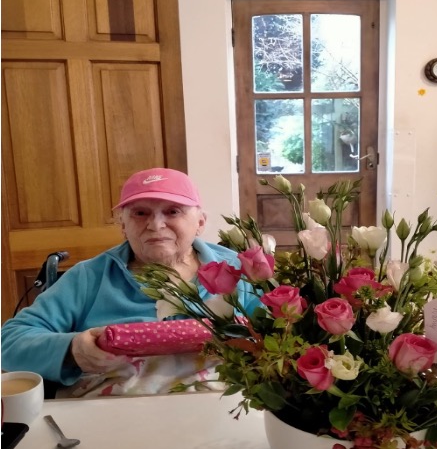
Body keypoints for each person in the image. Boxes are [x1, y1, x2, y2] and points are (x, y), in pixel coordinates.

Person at [1, 168, 261, 397]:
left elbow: (276, 332)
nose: (155, 225)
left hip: (221, 407)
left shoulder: (240, 269)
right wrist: (71, 349)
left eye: (173, 211)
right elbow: (9, 342)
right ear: (123, 226)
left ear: (200, 222)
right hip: (113, 412)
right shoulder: (88, 277)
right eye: (140, 213)